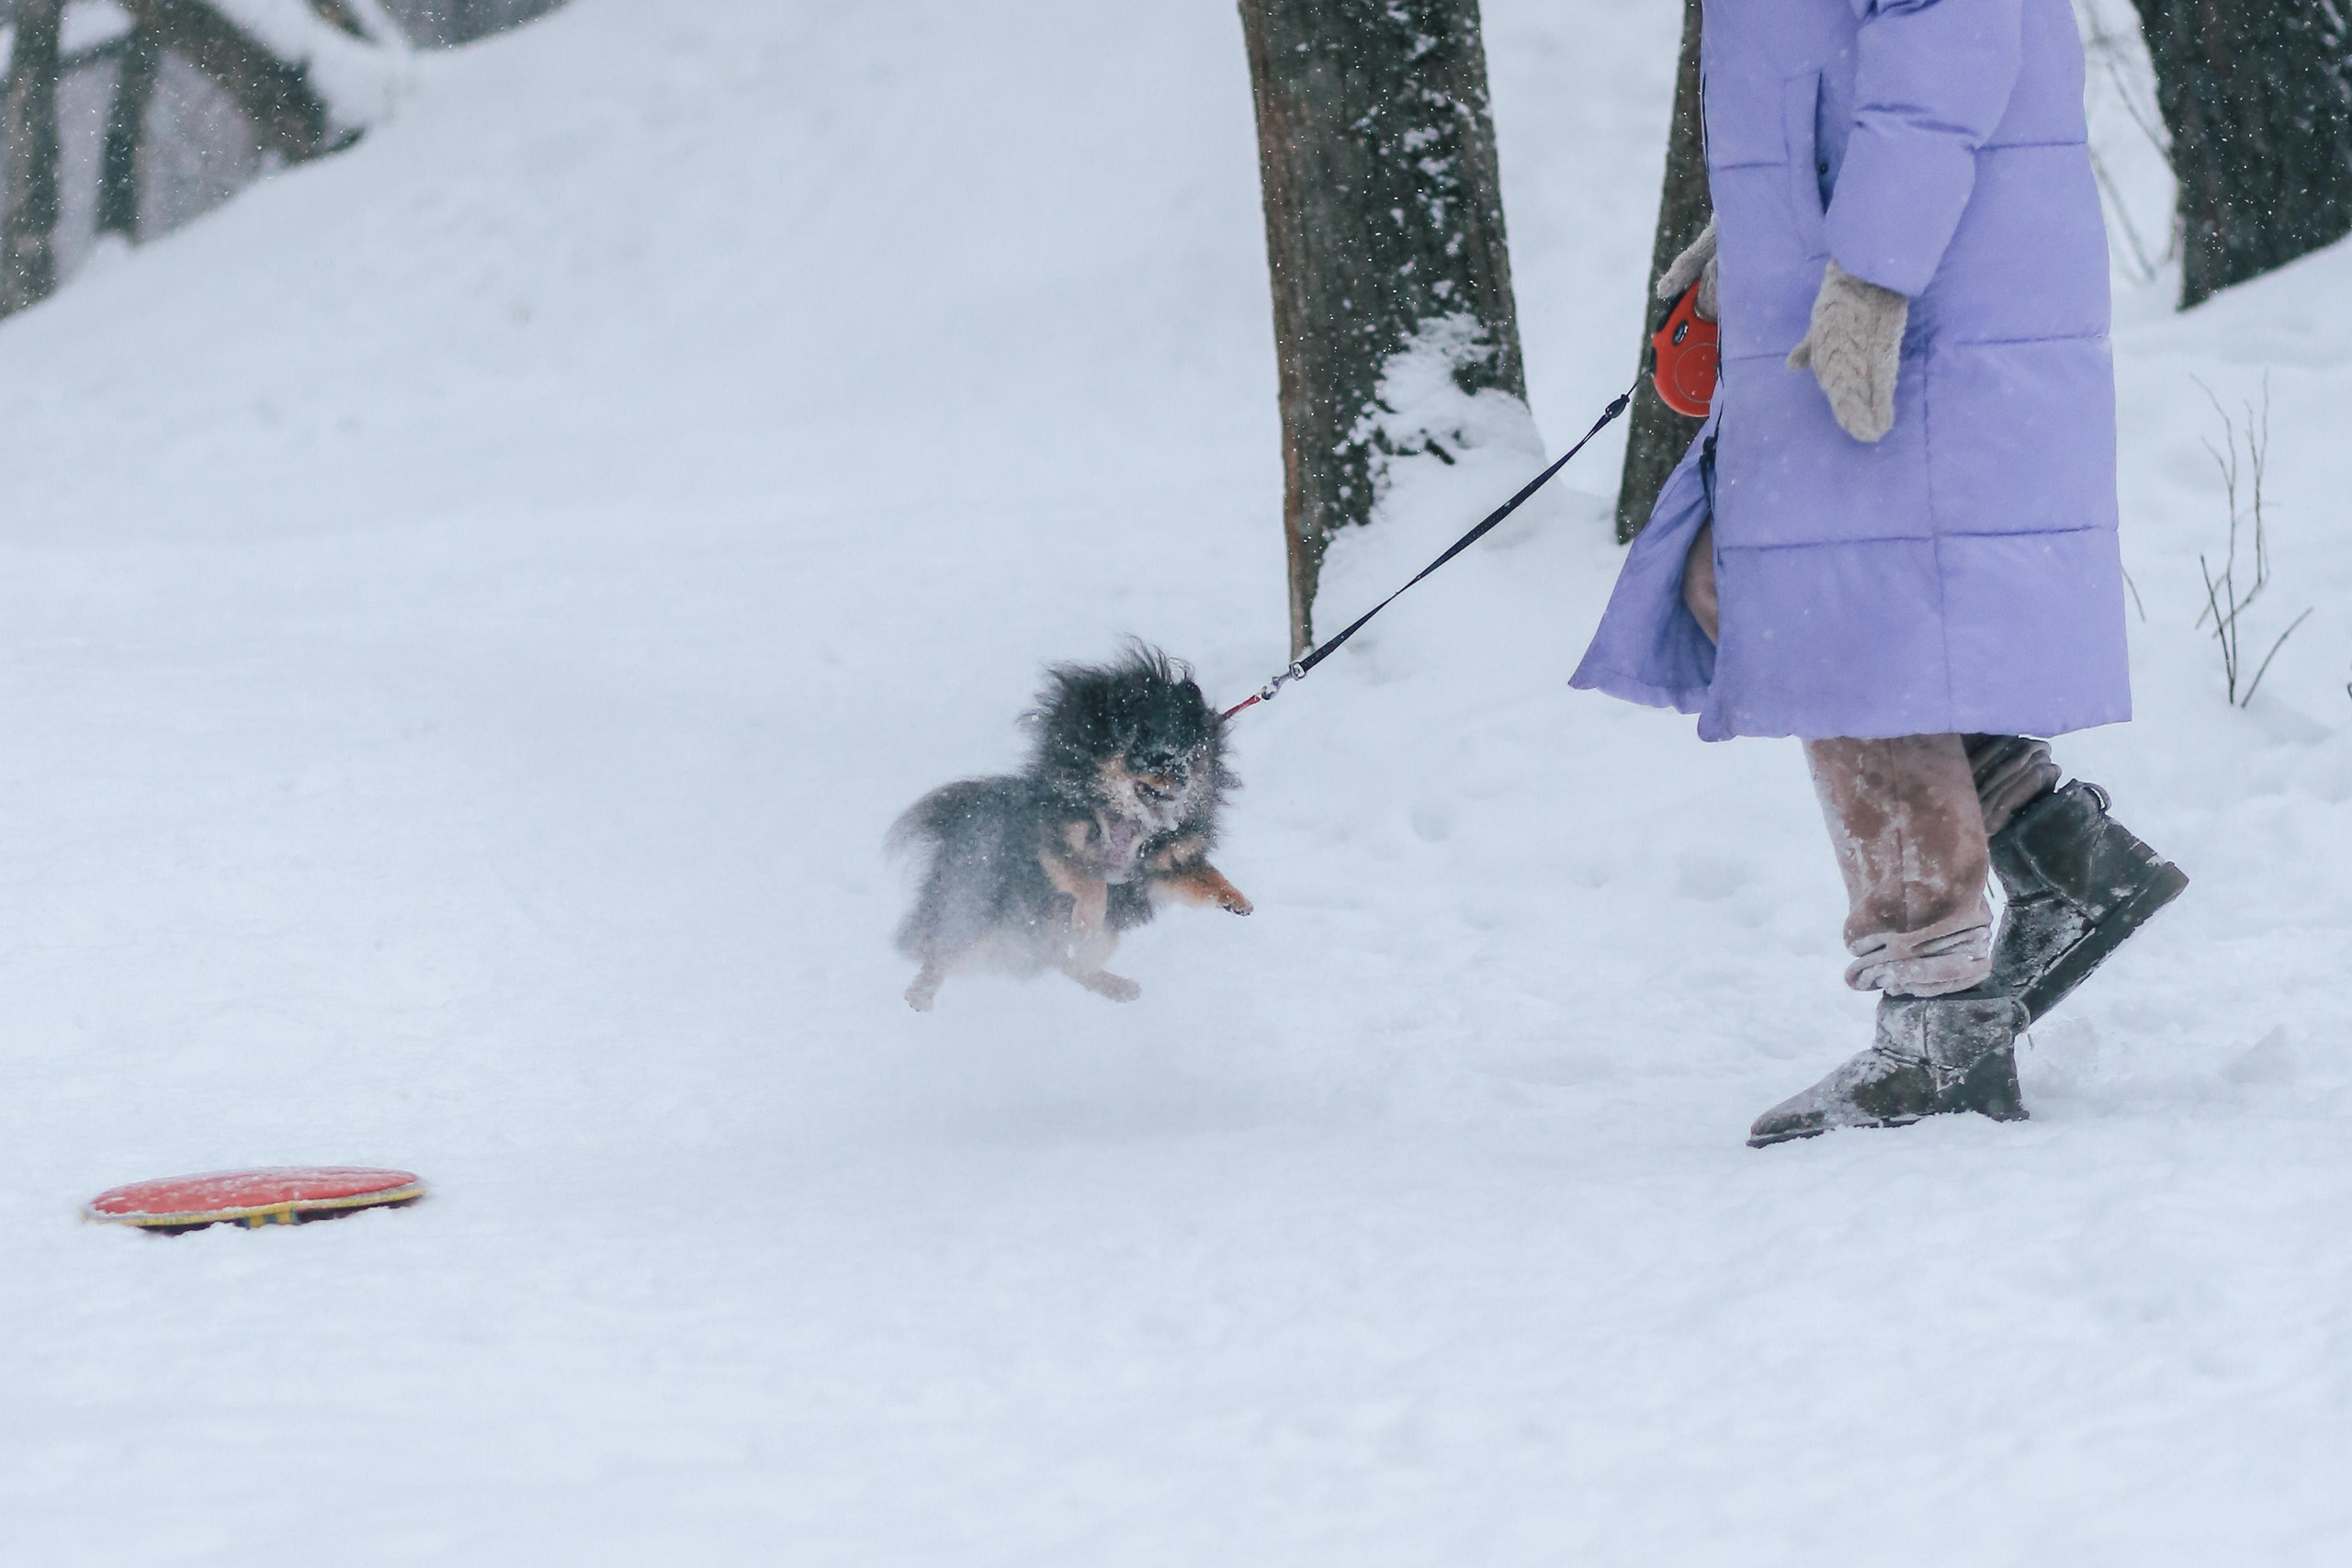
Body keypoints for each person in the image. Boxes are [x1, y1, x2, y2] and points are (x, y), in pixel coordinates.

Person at [1570, 0, 2187, 1145]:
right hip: (1886, 260)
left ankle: (1940, 1020)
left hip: (1914, 286)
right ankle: (2057, 853)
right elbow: (1848, 58)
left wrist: (1871, 268)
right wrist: (1761, 219)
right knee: (1785, 594)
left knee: (1833, 624)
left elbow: (1948, 37)